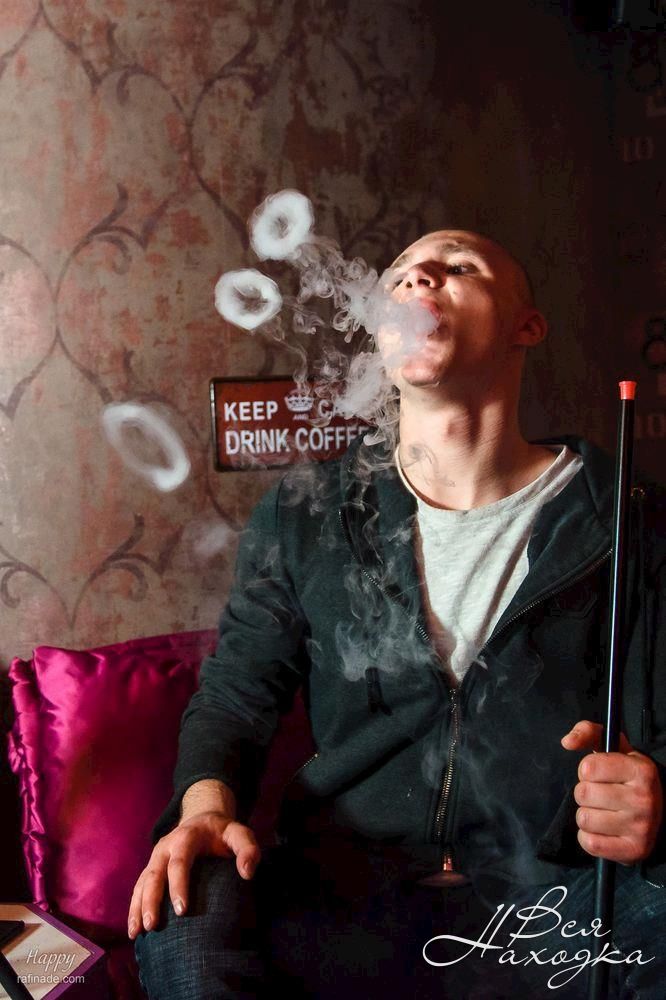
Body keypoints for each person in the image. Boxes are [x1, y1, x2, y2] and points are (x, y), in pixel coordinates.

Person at [129, 230, 666, 999]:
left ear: (527, 326)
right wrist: (205, 810)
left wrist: (655, 798)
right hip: (343, 901)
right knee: (183, 908)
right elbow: (235, 699)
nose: (420, 280)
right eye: (401, 276)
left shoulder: (625, 517)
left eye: (459, 266)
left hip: (551, 908)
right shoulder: (306, 513)